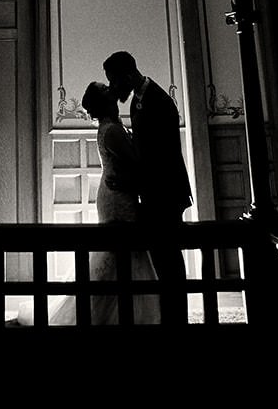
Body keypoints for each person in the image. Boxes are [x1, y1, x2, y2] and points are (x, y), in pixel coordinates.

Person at [50, 81, 159, 327]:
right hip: (117, 198)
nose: (112, 87)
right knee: (121, 251)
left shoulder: (112, 127)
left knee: (123, 254)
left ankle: (122, 311)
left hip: (117, 191)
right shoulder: (111, 131)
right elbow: (138, 162)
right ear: (104, 100)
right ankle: (110, 315)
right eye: (105, 88)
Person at [103, 51, 192, 326]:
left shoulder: (158, 101)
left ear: (128, 75)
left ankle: (177, 319)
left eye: (115, 82)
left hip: (166, 193)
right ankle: (170, 317)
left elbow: (159, 159)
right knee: (162, 259)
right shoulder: (140, 100)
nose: (114, 89)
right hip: (155, 192)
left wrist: (131, 183)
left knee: (169, 259)